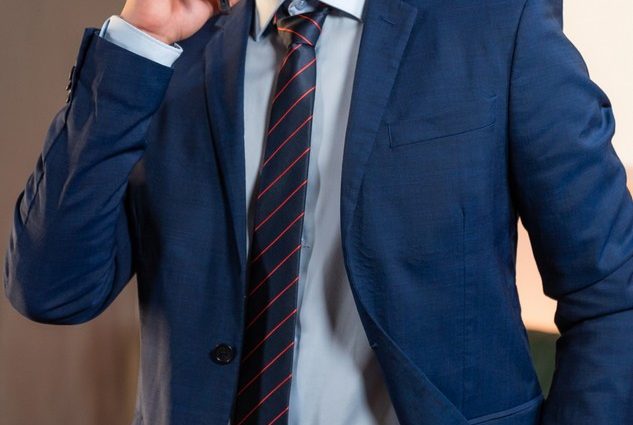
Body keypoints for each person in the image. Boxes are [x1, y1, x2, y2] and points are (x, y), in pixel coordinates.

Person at [4, 0, 633, 424]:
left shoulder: (496, 21)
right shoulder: (172, 46)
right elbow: (52, 289)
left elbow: (612, 295)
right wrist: (140, 40)